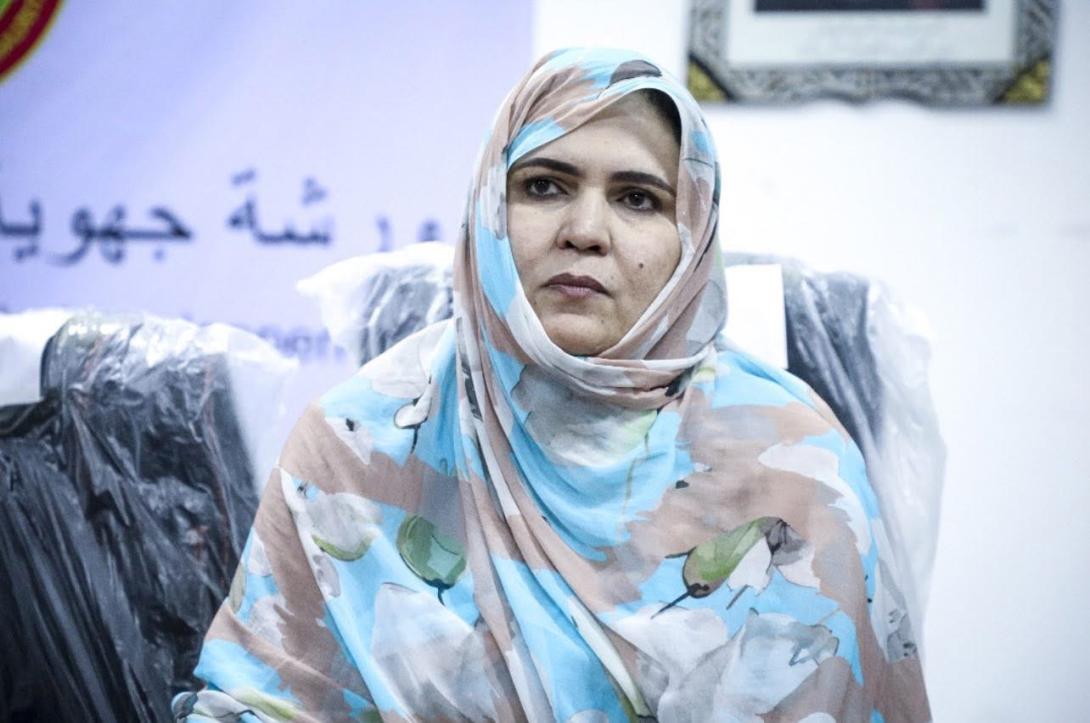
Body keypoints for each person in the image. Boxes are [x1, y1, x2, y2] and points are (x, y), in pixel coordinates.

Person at [174, 48, 931, 722]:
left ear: (692, 239)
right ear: (489, 214)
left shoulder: (799, 470)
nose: (585, 230)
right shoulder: (356, 445)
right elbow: (256, 703)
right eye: (543, 186)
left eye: (638, 198)